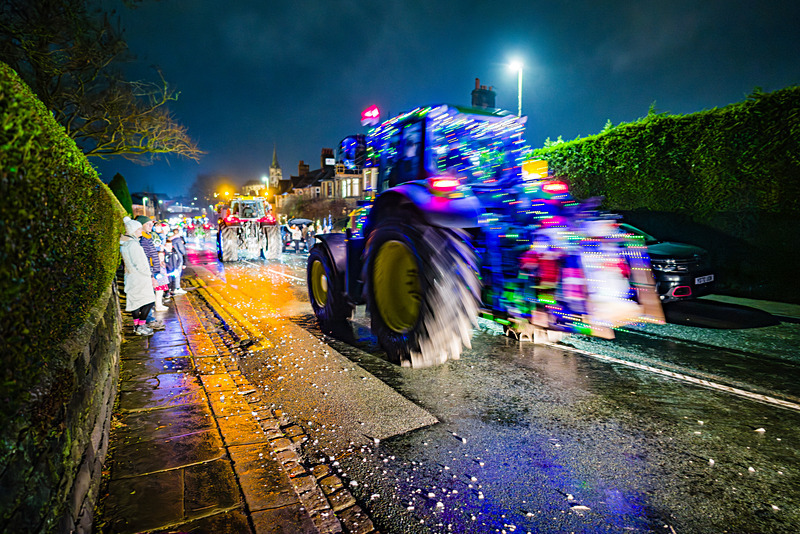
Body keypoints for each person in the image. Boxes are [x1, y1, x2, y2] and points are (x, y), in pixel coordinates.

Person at [120, 217, 156, 335]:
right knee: (149, 301)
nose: (141, 231)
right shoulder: (133, 245)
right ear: (134, 230)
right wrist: (149, 275)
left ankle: (137, 327)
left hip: (132, 277)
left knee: (136, 302)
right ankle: (140, 326)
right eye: (139, 229)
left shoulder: (127, 243)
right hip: (140, 278)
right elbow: (140, 263)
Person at [136, 215, 170, 313]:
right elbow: (146, 257)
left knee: (158, 288)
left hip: (155, 268)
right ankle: (149, 314)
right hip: (150, 269)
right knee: (151, 291)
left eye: (152, 224)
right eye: (148, 224)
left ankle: (153, 310)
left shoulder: (149, 236)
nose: (151, 226)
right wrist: (151, 273)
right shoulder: (143, 239)